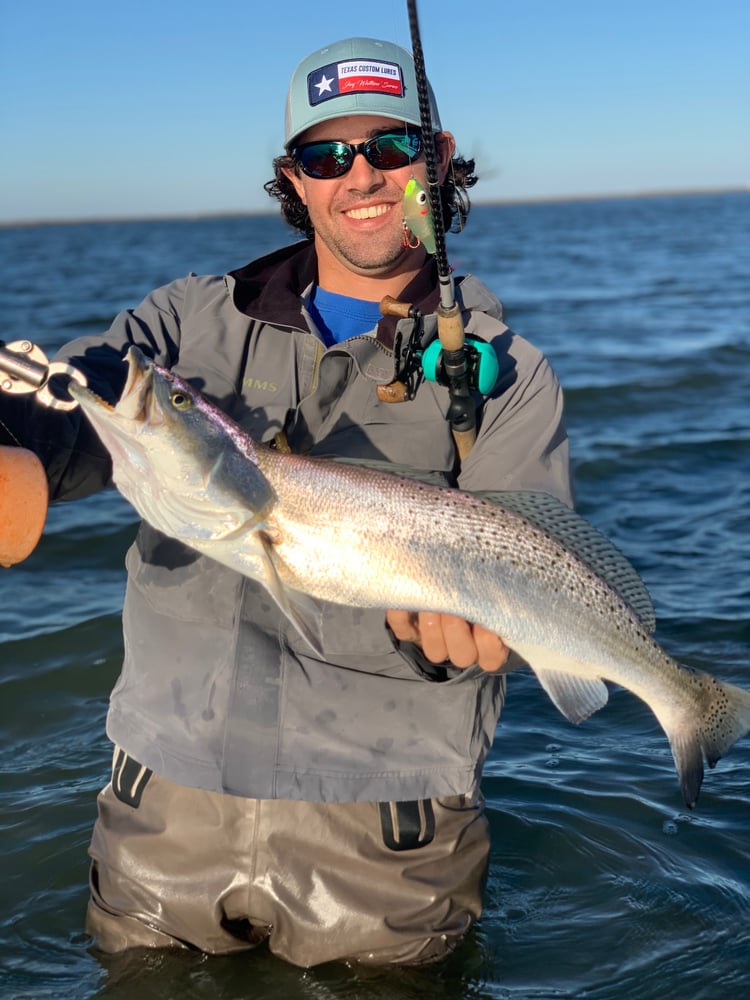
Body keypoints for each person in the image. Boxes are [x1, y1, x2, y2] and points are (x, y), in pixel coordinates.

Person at [1, 37, 572, 967]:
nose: (361, 177)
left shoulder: (509, 378)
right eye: (325, 156)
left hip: (391, 834)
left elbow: (528, 563)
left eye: (389, 147)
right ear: (294, 181)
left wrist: (468, 640)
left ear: (436, 159)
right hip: (164, 806)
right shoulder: (186, 322)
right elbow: (78, 401)